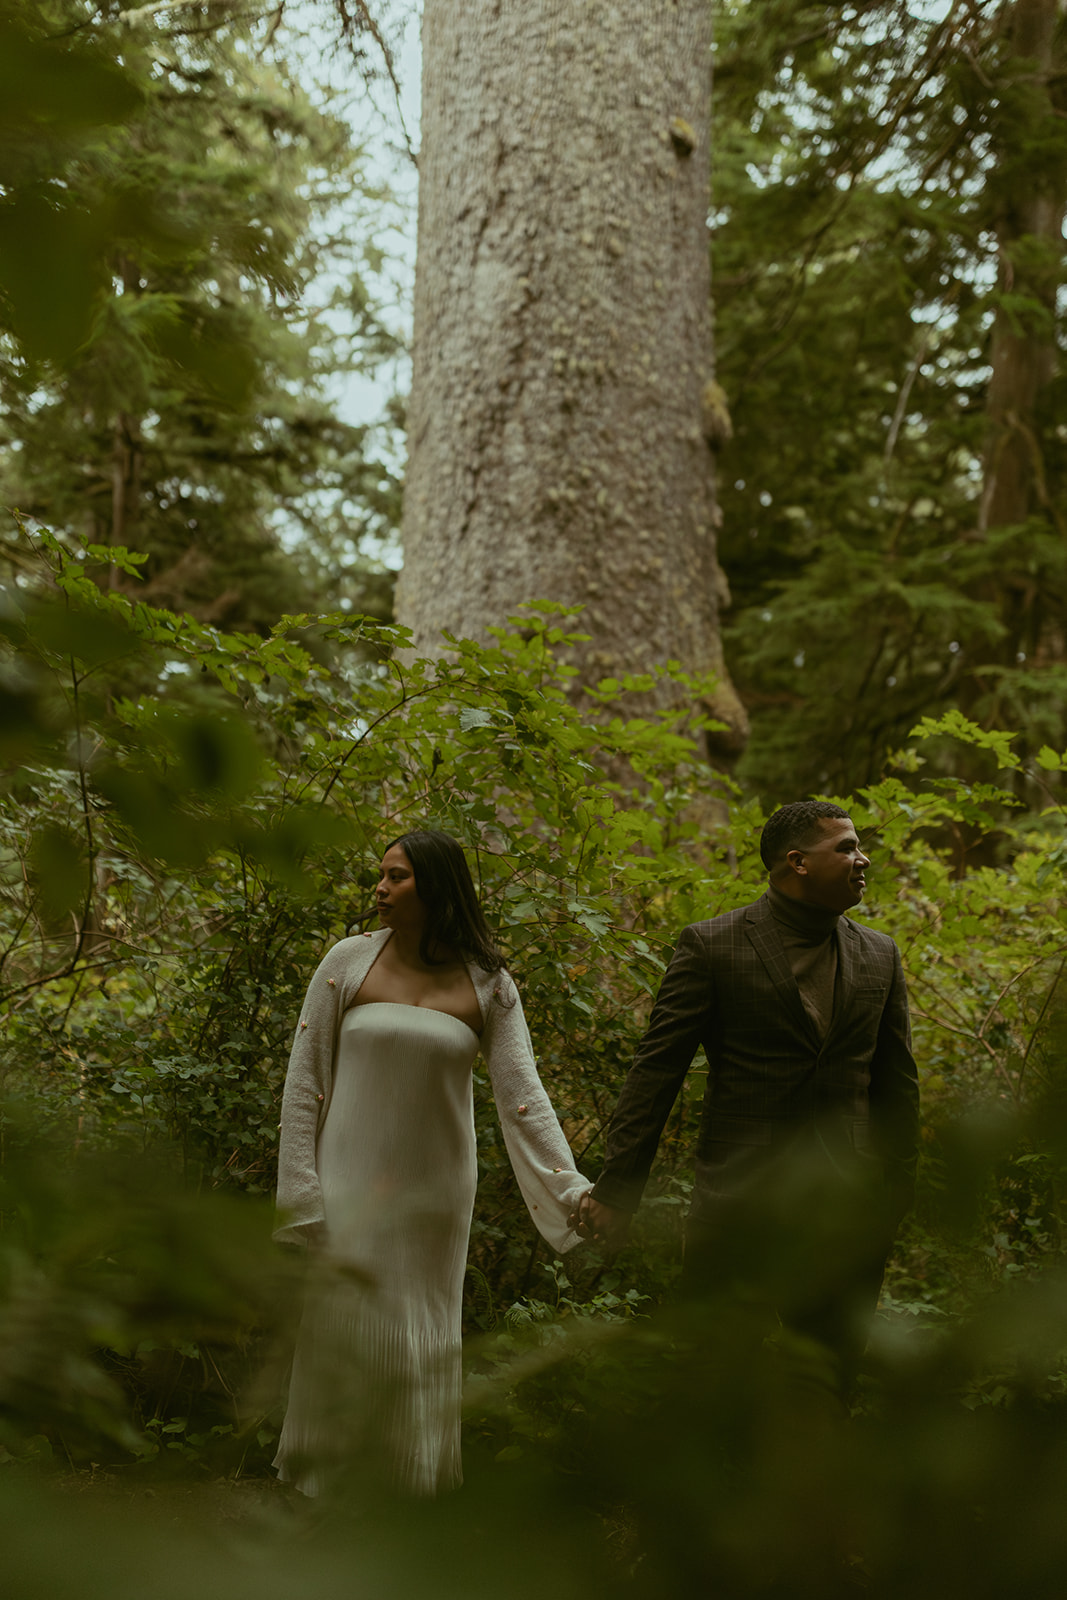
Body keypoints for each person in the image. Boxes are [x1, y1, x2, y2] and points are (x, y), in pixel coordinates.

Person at [273, 829, 589, 1496]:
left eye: (396, 877)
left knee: (417, 1329)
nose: (379, 889)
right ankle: (324, 1487)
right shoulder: (346, 963)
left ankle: (404, 1487)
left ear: (437, 886)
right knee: (342, 1317)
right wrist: (300, 1193)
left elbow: (523, 1097)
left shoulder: (489, 985)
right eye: (380, 875)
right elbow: (305, 1083)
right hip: (348, 1181)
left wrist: (573, 1194)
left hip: (434, 1195)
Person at [576, 801, 920, 1373]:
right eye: (846, 848)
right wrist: (618, 1190)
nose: (863, 860)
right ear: (797, 862)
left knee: (829, 1379)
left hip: (845, 1216)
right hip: (737, 1209)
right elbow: (656, 1071)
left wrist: (894, 1193)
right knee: (715, 1379)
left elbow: (896, 1084)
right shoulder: (712, 946)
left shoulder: (879, 953)